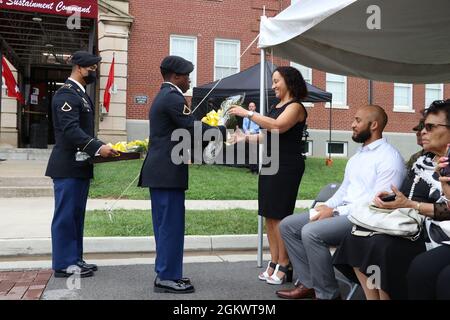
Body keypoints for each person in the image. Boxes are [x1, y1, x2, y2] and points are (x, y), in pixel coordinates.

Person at [276, 105, 406, 300]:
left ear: (374, 125)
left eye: (357, 120)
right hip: (345, 212)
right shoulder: (358, 156)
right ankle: (309, 283)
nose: (352, 124)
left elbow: (377, 202)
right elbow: (344, 189)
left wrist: (335, 212)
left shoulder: (390, 158)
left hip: (366, 219)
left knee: (311, 233)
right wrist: (327, 205)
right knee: (288, 226)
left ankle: (328, 294)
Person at [333, 100, 450, 300]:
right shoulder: (422, 162)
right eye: (423, 126)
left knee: (382, 247)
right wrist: (391, 198)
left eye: (429, 127)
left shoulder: (445, 167)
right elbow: (407, 194)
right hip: (410, 222)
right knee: (355, 240)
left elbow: (446, 210)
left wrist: (411, 205)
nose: (422, 131)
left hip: (434, 232)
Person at [138, 55, 226, 294]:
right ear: (176, 76)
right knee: (170, 227)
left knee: (167, 226)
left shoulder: (166, 95)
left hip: (163, 172)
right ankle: (166, 277)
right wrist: (219, 130)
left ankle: (167, 272)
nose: (189, 80)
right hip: (166, 173)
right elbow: (190, 127)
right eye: (187, 76)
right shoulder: (173, 97)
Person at [229, 66, 308, 285]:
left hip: (287, 165)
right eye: (272, 81)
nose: (273, 85)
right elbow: (267, 135)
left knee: (281, 215)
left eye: (276, 81)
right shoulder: (276, 106)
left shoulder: (296, 107)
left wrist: (248, 113)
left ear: (289, 82)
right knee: (269, 214)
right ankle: (274, 261)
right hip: (270, 163)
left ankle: (285, 264)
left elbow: (279, 126)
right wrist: (244, 138)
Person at [45, 51, 118, 278]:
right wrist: (98, 147)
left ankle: (74, 259)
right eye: (92, 69)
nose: (94, 72)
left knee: (76, 216)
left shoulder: (81, 95)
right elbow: (70, 131)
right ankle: (64, 264)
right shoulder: (66, 95)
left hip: (79, 166)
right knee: (65, 216)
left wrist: (100, 146)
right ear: (79, 68)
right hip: (67, 166)